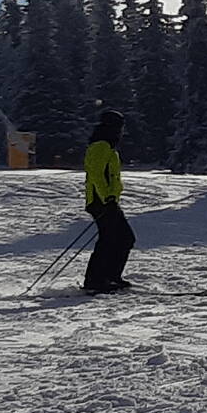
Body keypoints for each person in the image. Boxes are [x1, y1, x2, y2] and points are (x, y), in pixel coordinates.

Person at [81, 110, 134, 293]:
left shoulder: (107, 145)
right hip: (101, 201)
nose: (122, 131)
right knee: (112, 239)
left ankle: (109, 277)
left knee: (121, 238)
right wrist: (107, 197)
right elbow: (96, 174)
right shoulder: (101, 146)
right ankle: (96, 280)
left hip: (107, 201)